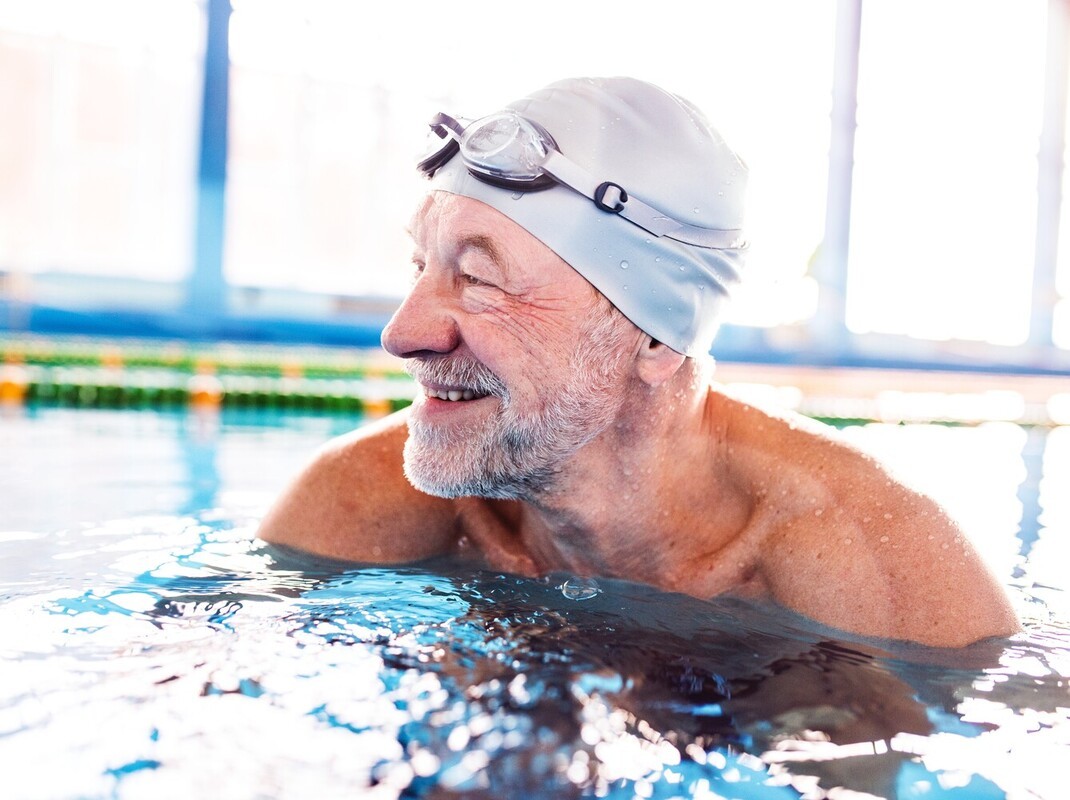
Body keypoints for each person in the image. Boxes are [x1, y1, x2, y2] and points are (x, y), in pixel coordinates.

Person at [258, 76, 1019, 648]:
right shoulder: (359, 501)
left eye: (479, 280)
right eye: (419, 266)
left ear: (656, 337)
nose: (403, 332)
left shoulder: (876, 568)